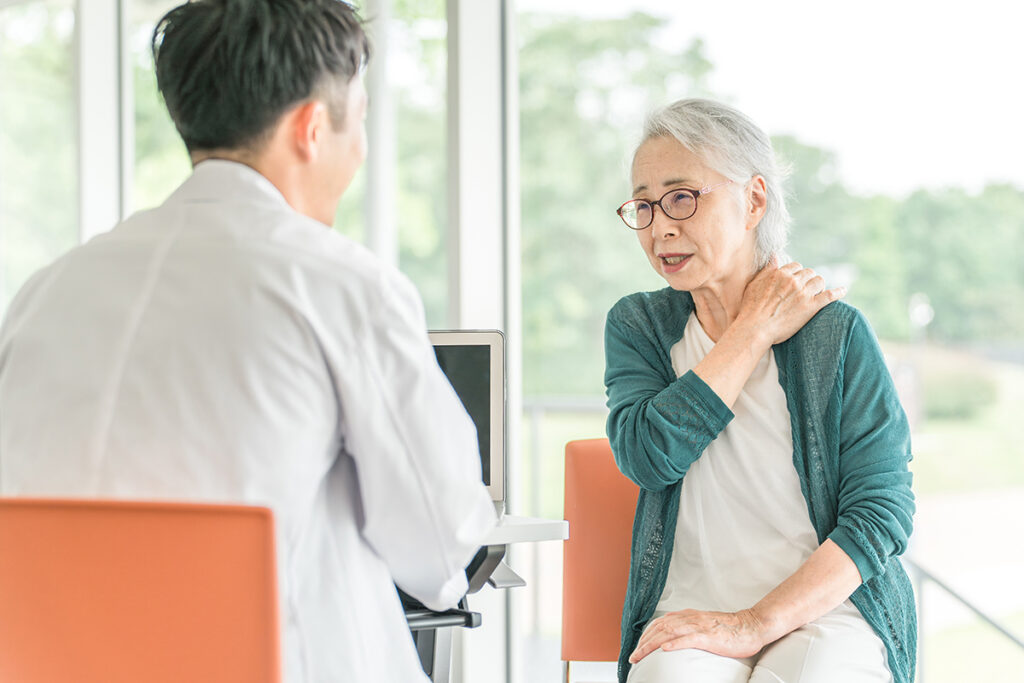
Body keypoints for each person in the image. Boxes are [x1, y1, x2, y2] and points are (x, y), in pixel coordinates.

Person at [0, 1, 496, 681]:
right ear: (312, 128)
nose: (364, 149)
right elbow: (441, 549)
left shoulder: (45, 292)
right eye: (363, 119)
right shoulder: (343, 286)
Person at [604, 99, 915, 683]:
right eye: (643, 206)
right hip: (690, 614)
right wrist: (753, 329)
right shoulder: (639, 326)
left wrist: (755, 623)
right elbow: (648, 458)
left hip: (828, 614)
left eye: (682, 197)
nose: (660, 227)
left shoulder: (836, 333)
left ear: (753, 200)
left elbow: (882, 515)